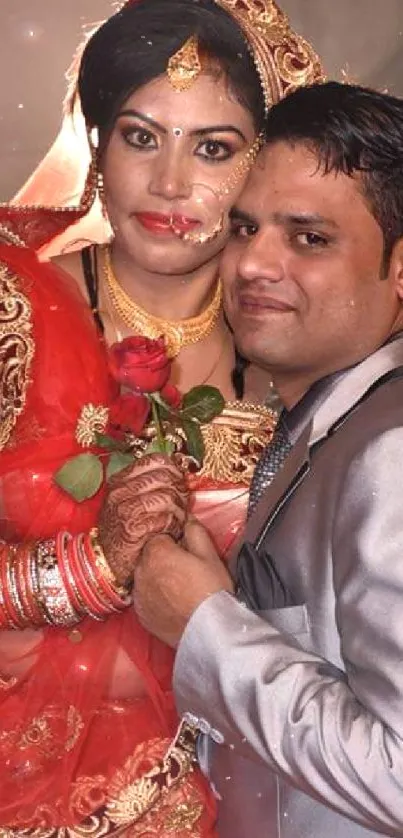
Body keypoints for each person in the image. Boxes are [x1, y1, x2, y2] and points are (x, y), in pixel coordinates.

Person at [0, 0, 324, 835]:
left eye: (212, 149)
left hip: (248, 771)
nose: (171, 185)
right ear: (97, 141)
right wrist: (92, 567)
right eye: (141, 136)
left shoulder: (310, 352)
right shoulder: (13, 305)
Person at [128, 81, 403, 837]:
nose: (252, 264)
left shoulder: (391, 453)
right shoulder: (325, 419)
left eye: (308, 237)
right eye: (245, 229)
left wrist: (203, 626)